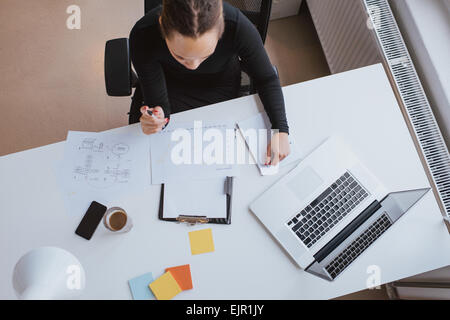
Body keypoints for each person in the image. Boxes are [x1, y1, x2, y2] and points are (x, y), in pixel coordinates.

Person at [129, 0, 290, 165]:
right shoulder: (143, 35)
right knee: (169, 153)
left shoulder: (237, 26)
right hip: (170, 84)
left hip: (219, 83)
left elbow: (266, 78)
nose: (193, 66)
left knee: (223, 152)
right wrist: (159, 118)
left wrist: (281, 130)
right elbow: (159, 103)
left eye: (205, 55)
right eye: (180, 56)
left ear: (222, 28)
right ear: (162, 26)